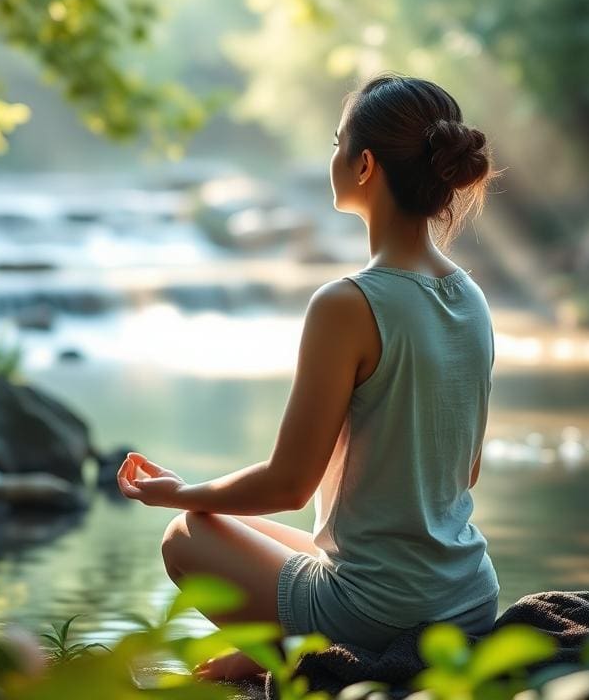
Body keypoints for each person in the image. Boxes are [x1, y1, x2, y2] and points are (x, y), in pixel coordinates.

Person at [117, 71, 504, 682]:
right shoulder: (470, 297)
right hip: (469, 597)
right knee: (273, 537)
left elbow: (288, 485)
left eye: (336, 142)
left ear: (364, 165)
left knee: (186, 534)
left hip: (384, 610)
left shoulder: (347, 303)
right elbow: (468, 470)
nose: (332, 156)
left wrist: (181, 492)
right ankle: (275, 651)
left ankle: (302, 654)